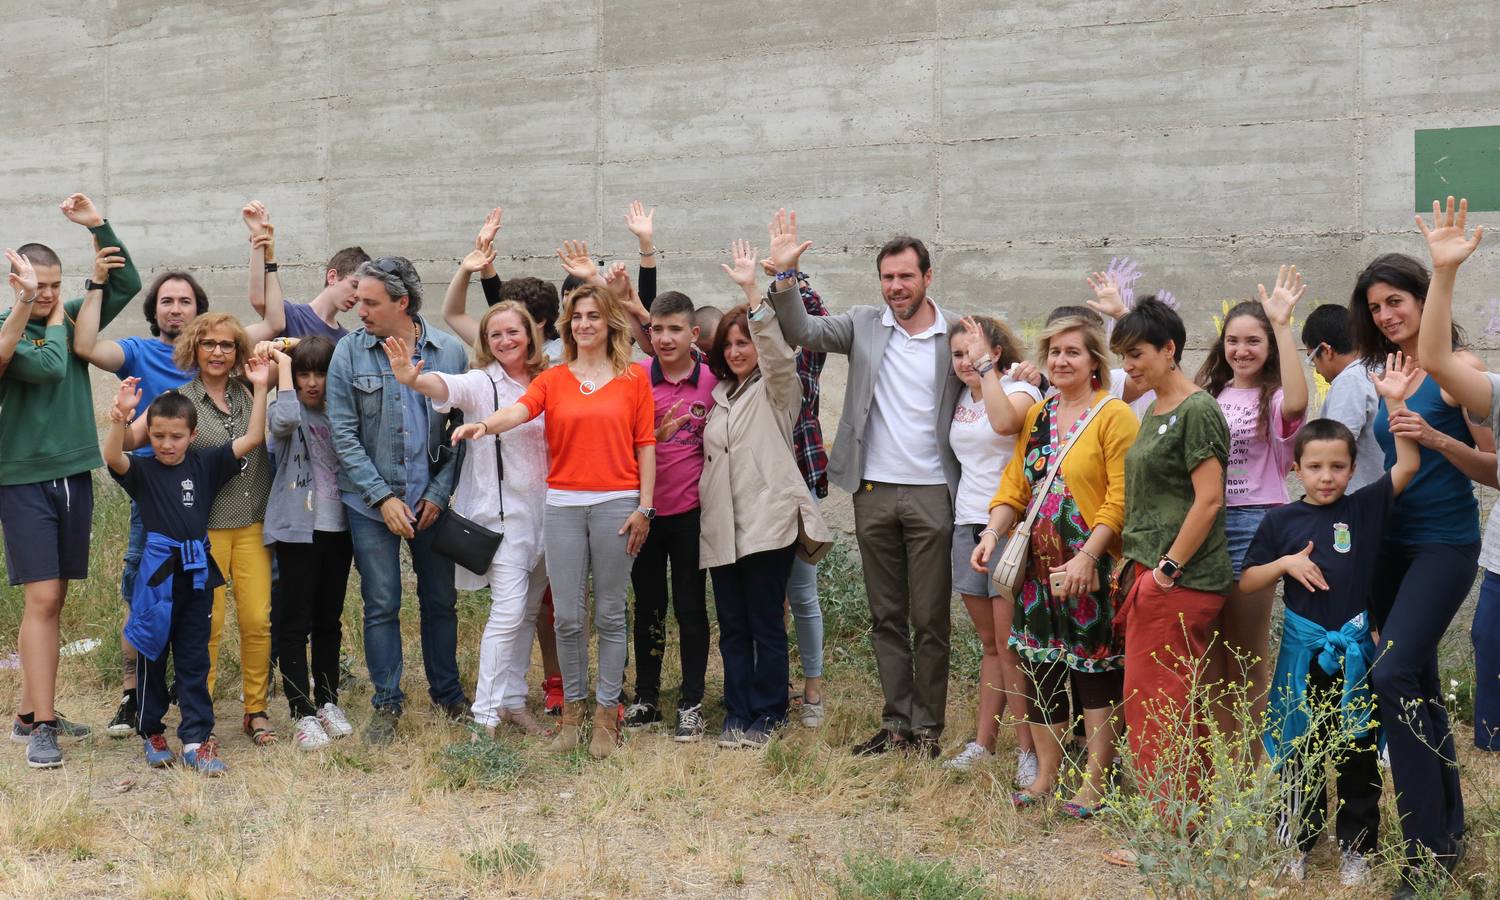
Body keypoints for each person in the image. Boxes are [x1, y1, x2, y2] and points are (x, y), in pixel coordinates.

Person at [765, 211, 962, 757]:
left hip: (933, 492)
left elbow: (1003, 367)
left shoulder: (958, 332)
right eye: (887, 277)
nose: (896, 287)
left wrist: (1025, 374)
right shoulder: (863, 324)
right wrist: (785, 277)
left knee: (930, 618)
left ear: (927, 277)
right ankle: (897, 724)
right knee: (886, 615)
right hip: (872, 491)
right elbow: (803, 331)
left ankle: (928, 730)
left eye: (906, 276)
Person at [452, 271, 655, 761]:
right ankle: (572, 716)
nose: (584, 324)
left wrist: (645, 508)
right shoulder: (554, 379)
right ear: (567, 326)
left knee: (610, 613)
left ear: (609, 323)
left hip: (617, 503)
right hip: (562, 505)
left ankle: (606, 717)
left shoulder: (633, 378)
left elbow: (646, 445)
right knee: (566, 616)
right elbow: (520, 411)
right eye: (577, 317)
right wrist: (484, 425)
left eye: (593, 316)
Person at [1242, 386, 1421, 886]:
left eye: (1338, 467)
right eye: (1316, 467)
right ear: (1296, 468)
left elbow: (1407, 465)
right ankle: (1295, 843)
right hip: (1303, 657)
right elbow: (1247, 581)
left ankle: (1357, 848)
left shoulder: (1363, 508)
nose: (1327, 477)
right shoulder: (1281, 520)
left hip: (1354, 656)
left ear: (1351, 468)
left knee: (1357, 753)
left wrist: (1395, 404)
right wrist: (1284, 563)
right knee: (1299, 752)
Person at [974, 316, 1137, 816]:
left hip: (1091, 571)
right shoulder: (1040, 415)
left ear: (1094, 361)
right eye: (1055, 352)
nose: (1061, 361)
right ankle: (1047, 774)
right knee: (1041, 669)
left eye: (1073, 352)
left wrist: (1089, 556)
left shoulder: (1114, 415)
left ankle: (1096, 782)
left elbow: (1120, 498)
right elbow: (1015, 486)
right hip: (1037, 574)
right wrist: (992, 533)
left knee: (1093, 673)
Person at [0, 194, 141, 768]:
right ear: (18, 282)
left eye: (57, 286)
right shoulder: (10, 331)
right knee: (42, 597)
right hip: (22, 479)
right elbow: (52, 366)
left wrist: (98, 228)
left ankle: (30, 714)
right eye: (39, 286)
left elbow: (127, 283)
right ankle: (43, 727)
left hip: (73, 474)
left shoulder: (71, 312)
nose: (50, 294)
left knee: (54, 599)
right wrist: (51, 314)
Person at [385, 298, 550, 737]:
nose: (505, 341)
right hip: (501, 520)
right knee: (508, 612)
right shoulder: (482, 382)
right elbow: (446, 386)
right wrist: (414, 379)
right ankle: (485, 717)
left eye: (513, 332)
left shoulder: (548, 380)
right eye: (495, 334)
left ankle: (513, 700)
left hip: (547, 517)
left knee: (527, 612)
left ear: (530, 334)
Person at [1105, 298, 1231, 864]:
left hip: (1180, 581)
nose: (1128, 365)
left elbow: (1209, 500)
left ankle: (1168, 837)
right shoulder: (1156, 407)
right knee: (1170, 705)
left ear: (1169, 349)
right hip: (1152, 575)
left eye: (1136, 354)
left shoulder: (1197, 409)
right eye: (1123, 356)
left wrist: (1166, 571)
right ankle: (1184, 827)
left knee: (1156, 707)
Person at [326, 256, 471, 745]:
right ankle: (387, 703)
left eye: (370, 302)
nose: (360, 310)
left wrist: (439, 492)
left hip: (432, 502)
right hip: (370, 504)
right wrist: (383, 497)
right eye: (359, 301)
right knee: (381, 603)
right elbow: (343, 434)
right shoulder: (349, 352)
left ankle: (448, 695)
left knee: (440, 601)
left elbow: (460, 433)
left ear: (402, 302)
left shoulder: (449, 352)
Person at [1396, 197, 1497, 889]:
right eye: (1373, 306)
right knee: (1418, 680)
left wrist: (1436, 440)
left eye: (1394, 301)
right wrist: (1445, 271)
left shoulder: (1468, 379)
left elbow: (1488, 467)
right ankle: (1442, 837)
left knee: (1394, 675)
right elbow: (1432, 356)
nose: (1384, 314)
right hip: (1401, 548)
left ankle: (1432, 846)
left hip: (1448, 543)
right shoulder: (1387, 375)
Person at [104, 361, 271, 774]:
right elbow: (113, 455)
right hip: (157, 579)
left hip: (196, 575)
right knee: (152, 653)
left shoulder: (204, 464)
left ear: (192, 436)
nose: (166, 444)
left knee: (195, 658)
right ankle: (152, 731)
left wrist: (261, 387)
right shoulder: (142, 471)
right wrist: (120, 417)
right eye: (158, 436)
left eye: (176, 436)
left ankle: (196, 738)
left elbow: (253, 438)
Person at [700, 238, 832, 748]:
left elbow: (778, 354)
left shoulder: (779, 388)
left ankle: (770, 713)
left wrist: (755, 292)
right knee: (732, 626)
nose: (737, 351)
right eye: (729, 345)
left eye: (745, 342)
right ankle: (738, 713)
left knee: (765, 624)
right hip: (723, 528)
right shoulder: (719, 396)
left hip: (767, 524)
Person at [1194, 268, 1309, 742]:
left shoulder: (1276, 395)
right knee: (1210, 650)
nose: (1241, 350)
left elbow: (1298, 403)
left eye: (1253, 341)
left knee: (1247, 652)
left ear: (1269, 347)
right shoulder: (1209, 394)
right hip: (1206, 522)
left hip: (1256, 522)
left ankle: (1250, 761)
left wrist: (1282, 326)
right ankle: (1224, 757)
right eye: (1233, 341)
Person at [941, 315, 1042, 778]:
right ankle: (983, 743)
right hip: (967, 525)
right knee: (989, 645)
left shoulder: (1020, 391)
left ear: (997, 353)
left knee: (1010, 645)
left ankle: (1028, 751)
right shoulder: (961, 396)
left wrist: (991, 373)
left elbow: (1005, 426)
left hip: (1009, 527)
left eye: (975, 352)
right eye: (958, 354)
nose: (965, 362)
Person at [623, 291, 716, 740]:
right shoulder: (636, 376)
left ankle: (691, 702)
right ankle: (646, 697)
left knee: (691, 606)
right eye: (657, 329)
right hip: (645, 514)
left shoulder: (713, 381)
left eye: (675, 329)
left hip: (691, 515)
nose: (664, 338)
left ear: (693, 334)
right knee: (648, 606)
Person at [260, 337, 357, 750]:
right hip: (298, 529)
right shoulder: (285, 408)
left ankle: (328, 701)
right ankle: (301, 711)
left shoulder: (341, 411)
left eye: (321, 373)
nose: (312, 382)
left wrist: (303, 352)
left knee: (328, 620)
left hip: (339, 528)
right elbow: (283, 420)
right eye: (304, 374)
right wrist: (284, 362)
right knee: (295, 622)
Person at [766, 262, 832, 727]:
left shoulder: (803, 362)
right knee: (769, 595)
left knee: (802, 591)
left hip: (799, 482)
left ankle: (813, 687)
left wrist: (788, 276)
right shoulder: (753, 360)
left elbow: (815, 318)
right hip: (758, 487)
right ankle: (775, 682)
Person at [244, 201, 370, 341]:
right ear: (332, 276)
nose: (357, 296)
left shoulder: (345, 340)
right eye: (354, 285)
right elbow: (258, 299)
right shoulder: (291, 314)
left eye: (361, 291)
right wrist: (258, 238)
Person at [1300, 304, 1384, 493]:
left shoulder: (1349, 381)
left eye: (1312, 359)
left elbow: (1333, 447)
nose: (1317, 371)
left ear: (1326, 350)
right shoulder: (1378, 368)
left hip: (1360, 498)